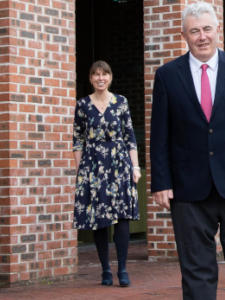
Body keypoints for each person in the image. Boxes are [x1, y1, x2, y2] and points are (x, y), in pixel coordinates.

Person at [150, 2, 225, 299]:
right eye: (194, 31)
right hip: (188, 188)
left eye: (207, 29)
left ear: (217, 29)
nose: (202, 36)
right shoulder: (167, 75)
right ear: (184, 34)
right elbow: (160, 134)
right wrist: (161, 182)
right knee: (196, 273)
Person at [72, 60, 141, 287]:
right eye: (96, 74)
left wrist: (135, 167)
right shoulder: (82, 105)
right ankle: (105, 270)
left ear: (110, 77)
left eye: (105, 74)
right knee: (99, 219)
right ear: (91, 78)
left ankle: (122, 268)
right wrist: (80, 171)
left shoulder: (121, 102)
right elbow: (78, 140)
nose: (100, 78)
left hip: (119, 163)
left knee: (122, 217)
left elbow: (130, 136)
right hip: (93, 166)